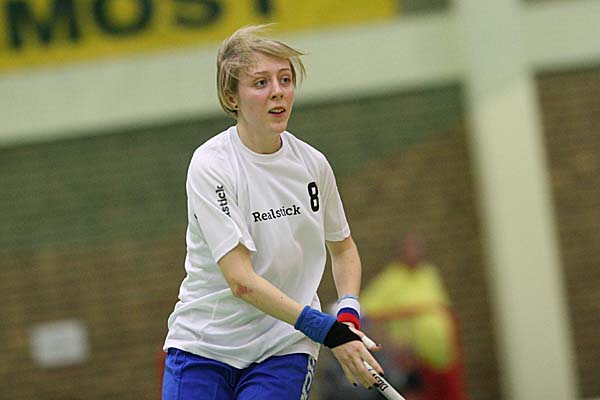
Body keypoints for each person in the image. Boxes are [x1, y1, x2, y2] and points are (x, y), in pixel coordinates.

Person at [161, 24, 383, 400]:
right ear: (231, 97)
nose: (278, 91)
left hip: (284, 347)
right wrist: (326, 330)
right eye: (261, 83)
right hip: (204, 347)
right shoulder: (211, 165)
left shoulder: (313, 165)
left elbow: (343, 248)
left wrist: (347, 313)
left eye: (285, 79)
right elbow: (241, 280)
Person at [361, 234, 469, 400]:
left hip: (446, 356)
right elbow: (366, 314)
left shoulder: (429, 273)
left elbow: (442, 308)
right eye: (410, 250)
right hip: (414, 361)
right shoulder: (391, 279)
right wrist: (391, 344)